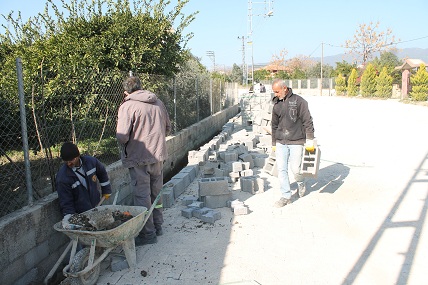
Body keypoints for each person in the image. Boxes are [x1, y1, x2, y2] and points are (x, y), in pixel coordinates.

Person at [116, 76, 171, 246]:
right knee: (156, 193)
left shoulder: (127, 106)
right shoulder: (158, 103)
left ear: (126, 91)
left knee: (142, 197)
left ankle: (148, 234)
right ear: (140, 87)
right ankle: (158, 226)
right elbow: (168, 127)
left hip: (138, 158)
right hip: (158, 156)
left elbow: (122, 136)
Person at [271, 79, 315, 207]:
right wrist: (274, 142)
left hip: (296, 141)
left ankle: (301, 183)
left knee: (295, 169)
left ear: (284, 88)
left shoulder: (299, 101)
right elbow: (274, 125)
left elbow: (308, 121)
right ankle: (286, 196)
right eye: (274, 92)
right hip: (281, 141)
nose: (275, 94)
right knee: (282, 169)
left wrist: (310, 139)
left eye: (277, 91)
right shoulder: (276, 104)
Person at [56, 142, 112, 226]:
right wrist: (69, 217)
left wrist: (106, 190)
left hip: (97, 206)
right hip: (82, 214)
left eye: (71, 160)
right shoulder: (63, 178)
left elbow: (102, 173)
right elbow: (66, 200)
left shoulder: (91, 162)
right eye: (66, 161)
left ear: (78, 156)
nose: (69, 163)